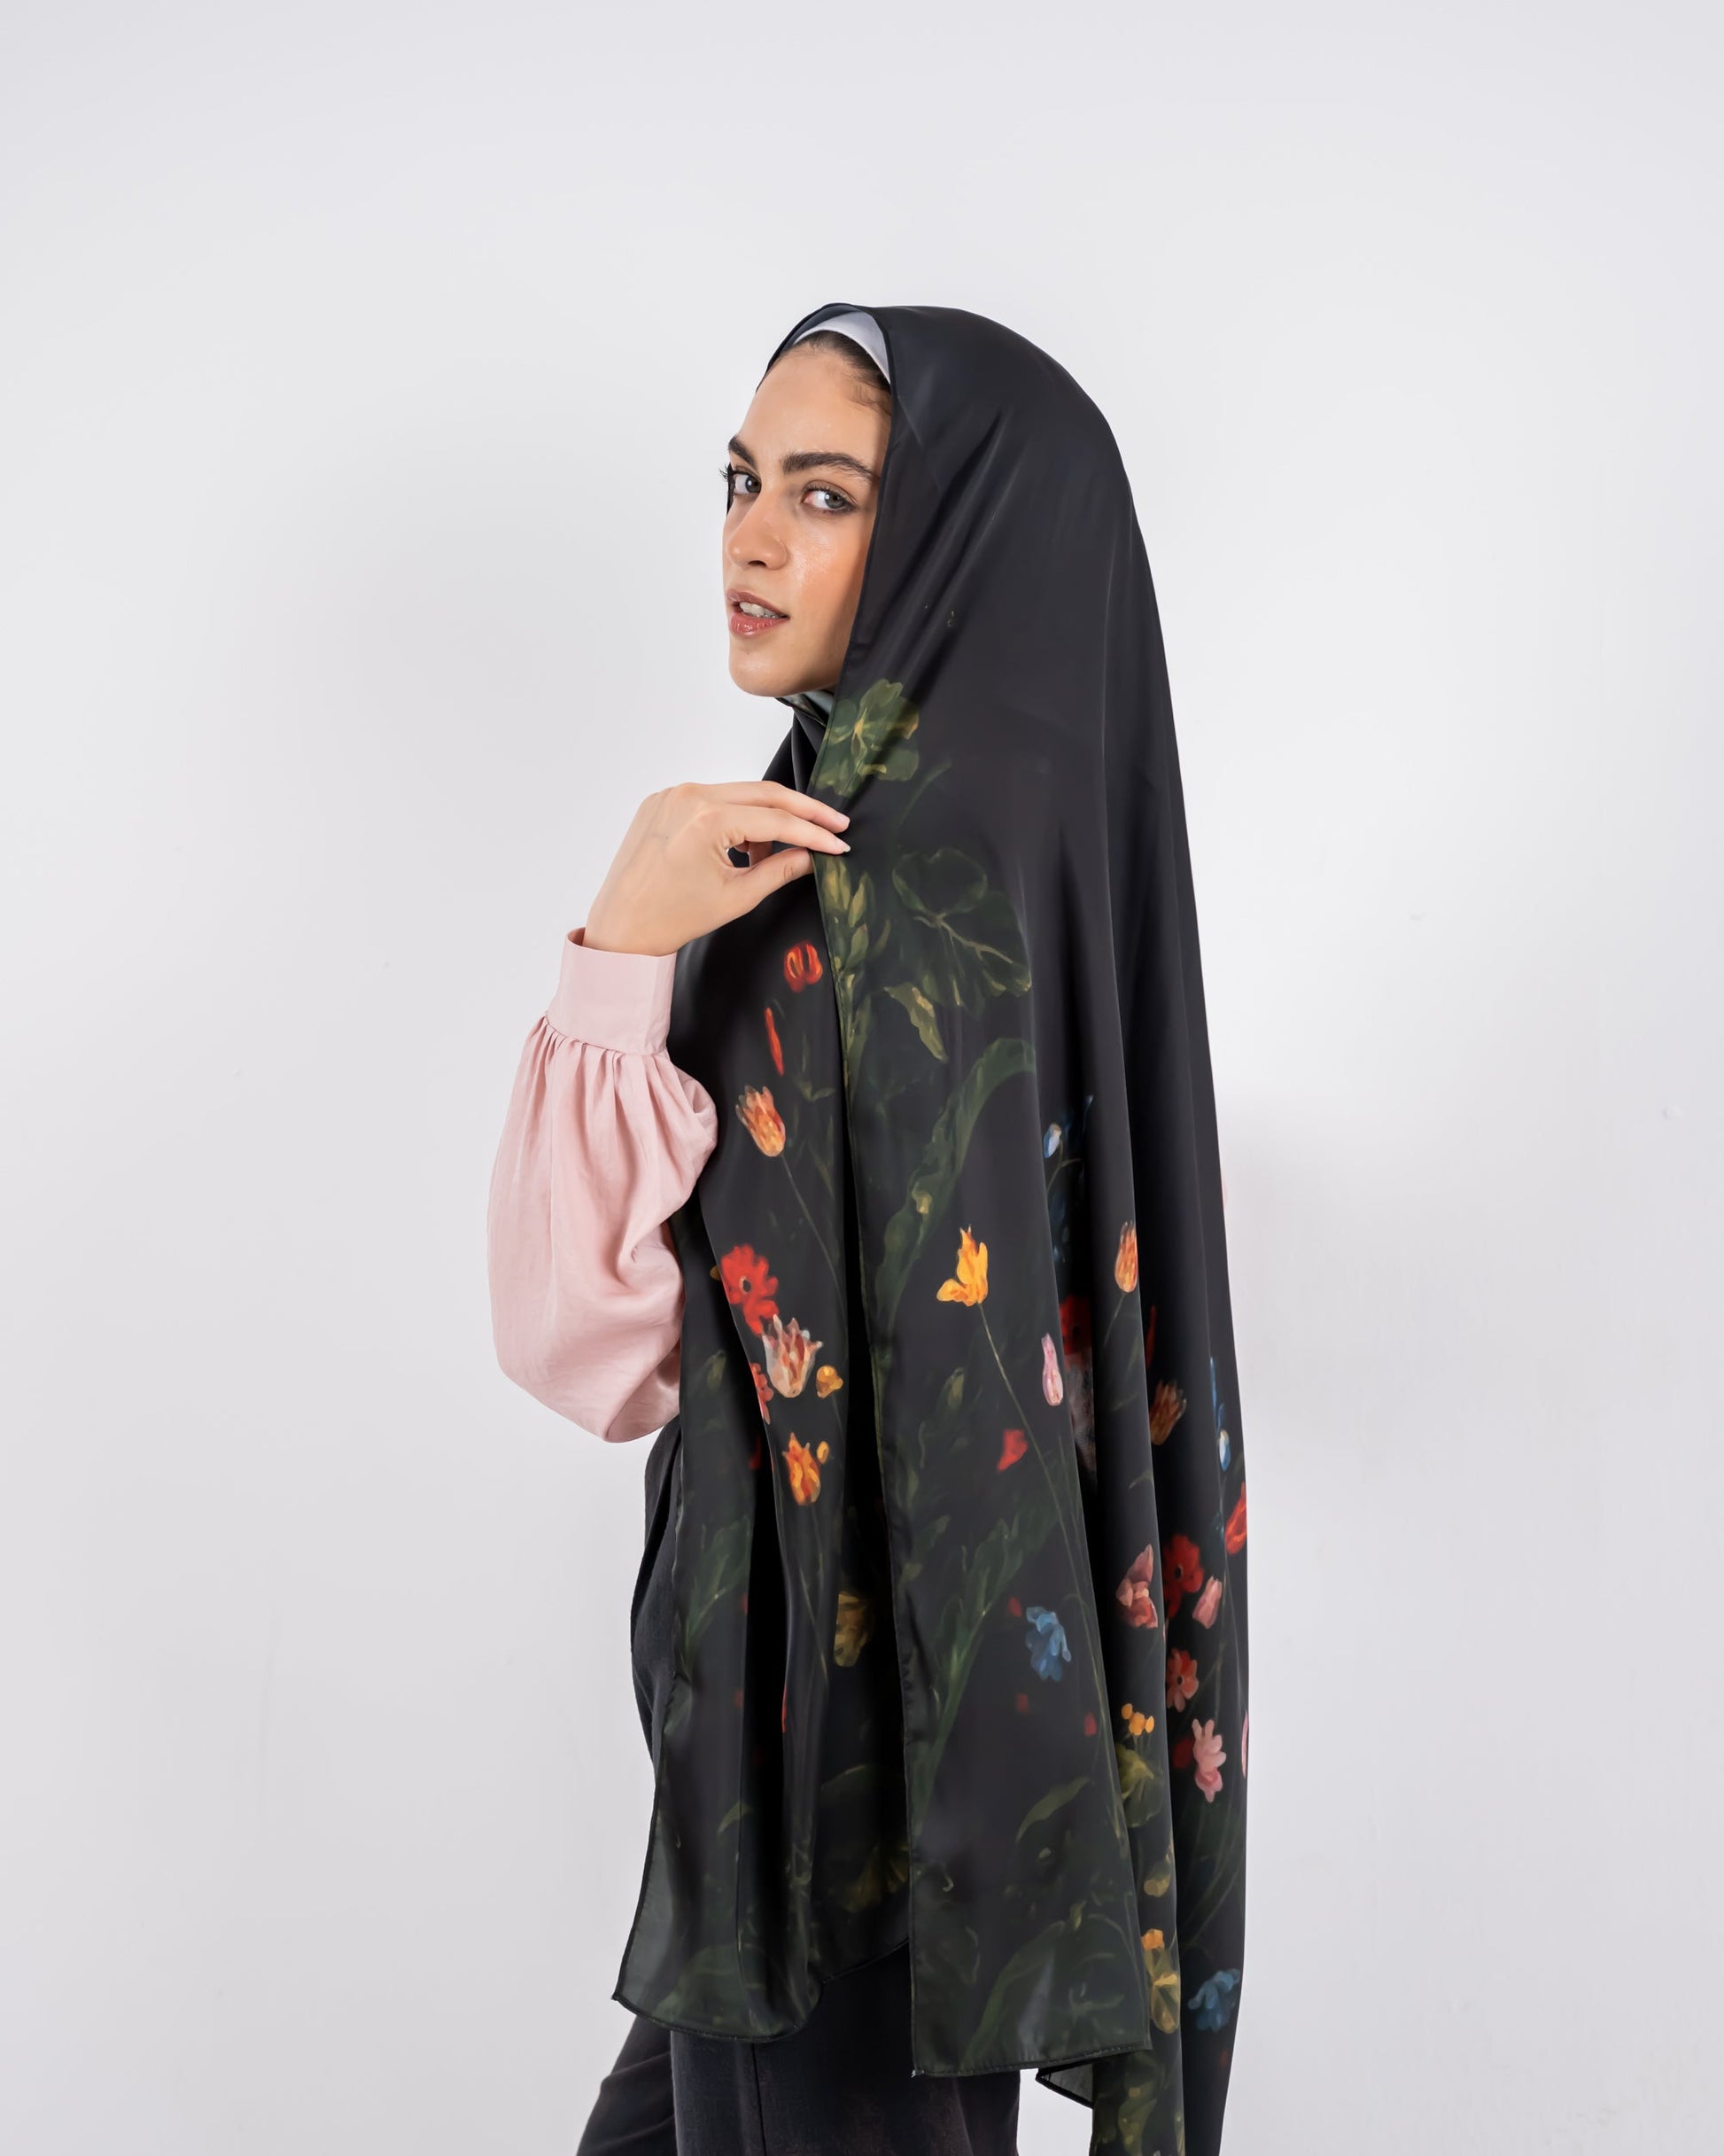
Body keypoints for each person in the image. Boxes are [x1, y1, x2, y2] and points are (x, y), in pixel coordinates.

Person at [488, 306, 1249, 2156]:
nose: (751, 537)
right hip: (960, 1754)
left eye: (824, 496)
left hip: (830, 1788)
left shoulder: (856, 888)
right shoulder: (1034, 853)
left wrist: (618, 947)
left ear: (958, 537)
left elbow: (591, 1342)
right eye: (742, 481)